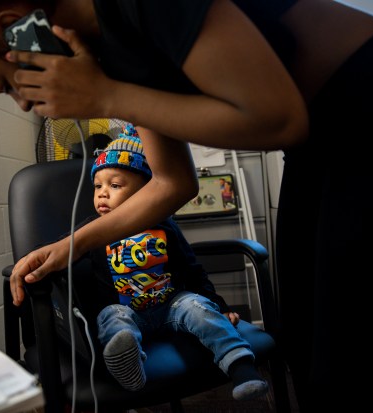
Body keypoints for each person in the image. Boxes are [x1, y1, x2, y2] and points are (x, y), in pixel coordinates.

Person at [0, 1, 373, 411]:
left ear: (14, 26)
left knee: (348, 377)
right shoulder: (103, 49)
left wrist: (104, 93)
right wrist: (69, 246)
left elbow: (278, 116)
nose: (24, 105)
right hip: (327, 138)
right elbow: (171, 182)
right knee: (305, 342)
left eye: (5, 83)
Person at [83, 124, 268, 400]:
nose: (102, 193)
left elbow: (192, 269)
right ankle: (129, 367)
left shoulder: (164, 226)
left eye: (115, 185)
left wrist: (220, 306)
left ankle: (241, 366)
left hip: (172, 306)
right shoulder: (92, 230)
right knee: (111, 317)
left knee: (198, 306)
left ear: (146, 192)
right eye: (98, 185)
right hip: (128, 313)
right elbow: (61, 250)